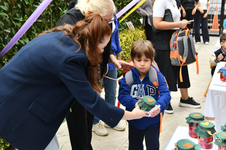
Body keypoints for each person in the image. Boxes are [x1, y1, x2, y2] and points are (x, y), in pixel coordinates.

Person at [0, 14, 147, 150]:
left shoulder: (66, 36)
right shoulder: (71, 59)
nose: (103, 52)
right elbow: (92, 102)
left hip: (19, 97)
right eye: (103, 48)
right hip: (16, 107)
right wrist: (133, 115)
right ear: (94, 42)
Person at [56, 0, 132, 149]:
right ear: (91, 13)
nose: (107, 23)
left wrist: (111, 59)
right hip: (75, 83)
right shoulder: (69, 21)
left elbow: (104, 43)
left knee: (88, 119)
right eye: (106, 20)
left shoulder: (100, 18)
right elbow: (65, 58)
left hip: (91, 78)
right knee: (79, 125)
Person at [118, 40, 171, 150]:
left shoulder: (156, 75)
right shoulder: (128, 77)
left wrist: (159, 106)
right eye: (138, 60)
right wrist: (135, 103)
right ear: (132, 60)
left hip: (153, 122)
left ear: (152, 60)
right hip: (134, 121)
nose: (142, 64)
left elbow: (166, 93)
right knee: (134, 146)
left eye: (146, 60)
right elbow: (122, 95)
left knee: (153, 146)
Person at [153, 0, 201, 114]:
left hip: (175, 39)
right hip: (163, 41)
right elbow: (156, 24)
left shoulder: (175, 1)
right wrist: (178, 24)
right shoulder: (160, 2)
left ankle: (185, 98)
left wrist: (181, 23)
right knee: (166, 71)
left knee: (181, 66)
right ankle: (165, 100)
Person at [92, 14, 126, 136]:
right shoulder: (95, 16)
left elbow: (114, 37)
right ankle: (95, 122)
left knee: (112, 91)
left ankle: (110, 119)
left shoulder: (113, 16)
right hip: (97, 60)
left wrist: (118, 53)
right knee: (96, 92)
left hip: (110, 60)